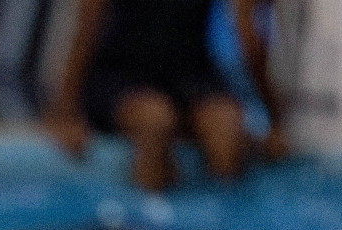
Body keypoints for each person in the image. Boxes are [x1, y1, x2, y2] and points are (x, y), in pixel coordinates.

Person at [46, 0, 288, 192]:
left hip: (190, 73)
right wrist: (66, 112)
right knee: (156, 121)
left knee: (227, 128)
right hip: (122, 72)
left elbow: (248, 38)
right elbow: (87, 26)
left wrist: (275, 124)